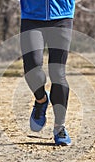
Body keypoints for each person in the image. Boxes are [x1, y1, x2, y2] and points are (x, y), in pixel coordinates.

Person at [19, 0, 75, 145]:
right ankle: (41, 100)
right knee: (32, 69)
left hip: (62, 16)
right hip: (31, 17)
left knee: (58, 73)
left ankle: (59, 127)